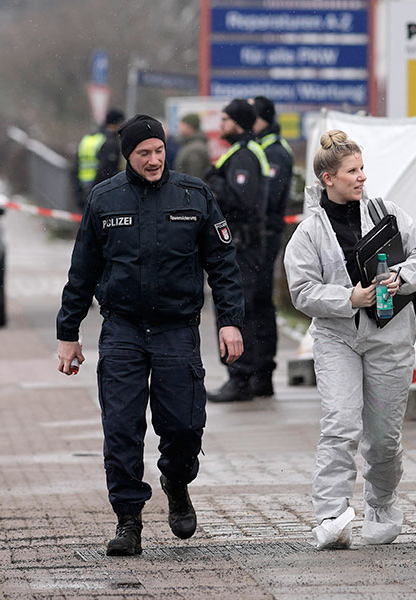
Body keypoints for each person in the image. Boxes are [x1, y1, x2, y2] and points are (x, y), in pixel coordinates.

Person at [55, 114, 245, 556]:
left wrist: (230, 320)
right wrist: (68, 333)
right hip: (122, 330)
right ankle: (128, 520)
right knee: (121, 428)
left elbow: (223, 265)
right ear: (129, 156)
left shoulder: (194, 195)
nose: (155, 159)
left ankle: (176, 481)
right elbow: (82, 271)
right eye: (144, 153)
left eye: (159, 150)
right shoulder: (105, 199)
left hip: (177, 329)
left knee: (183, 426)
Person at [284, 130, 416, 549]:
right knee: (340, 425)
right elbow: (302, 291)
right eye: (352, 171)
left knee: (384, 437)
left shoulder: (387, 212)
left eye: (363, 168)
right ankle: (330, 515)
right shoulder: (308, 232)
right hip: (337, 339)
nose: (362, 177)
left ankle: (381, 504)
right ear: (328, 178)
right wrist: (347, 298)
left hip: (392, 336)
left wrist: (402, 277)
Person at [204, 99, 271, 403]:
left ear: (238, 122)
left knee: (235, 310)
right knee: (245, 310)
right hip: (243, 245)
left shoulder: (244, 155)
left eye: (225, 119)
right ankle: (246, 376)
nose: (221, 125)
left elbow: (241, 200)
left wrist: (212, 185)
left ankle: (240, 377)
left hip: (242, 246)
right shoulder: (241, 152)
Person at [246, 95, 295, 397]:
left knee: (259, 303)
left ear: (260, 118)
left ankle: (262, 373)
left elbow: (269, 197)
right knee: (254, 303)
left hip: (265, 237)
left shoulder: (274, 151)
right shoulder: (262, 147)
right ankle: (256, 370)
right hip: (259, 236)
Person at [73, 108, 125, 210]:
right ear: (117, 124)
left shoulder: (88, 139)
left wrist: (79, 193)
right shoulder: (110, 142)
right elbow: (105, 171)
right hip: (100, 195)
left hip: (83, 192)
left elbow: (75, 168)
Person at [173, 113, 210, 179]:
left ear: (189, 126)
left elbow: (194, 177)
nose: (179, 127)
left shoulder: (195, 148)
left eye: (182, 125)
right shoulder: (190, 144)